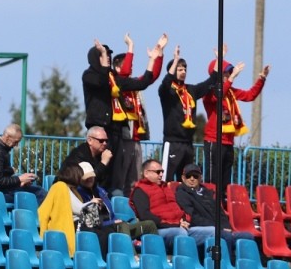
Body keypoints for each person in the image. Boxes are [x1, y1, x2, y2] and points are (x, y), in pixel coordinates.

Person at [81, 37, 163, 196]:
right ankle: (97, 198)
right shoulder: (89, 75)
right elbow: (101, 82)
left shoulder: (114, 79)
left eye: (109, 55)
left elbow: (142, 83)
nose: (108, 58)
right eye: (104, 55)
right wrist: (107, 65)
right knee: (100, 170)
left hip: (115, 131)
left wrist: (153, 60)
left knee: (115, 173)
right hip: (99, 129)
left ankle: (113, 201)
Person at [38, 162, 155, 256]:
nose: (86, 179)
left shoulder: (97, 191)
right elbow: (79, 209)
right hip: (78, 225)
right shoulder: (62, 187)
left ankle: (150, 257)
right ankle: (126, 258)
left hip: (91, 224)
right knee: (107, 233)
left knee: (142, 225)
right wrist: (91, 203)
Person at [108, 33, 166, 196]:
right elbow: (125, 71)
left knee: (134, 180)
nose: (131, 68)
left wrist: (158, 54)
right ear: (117, 68)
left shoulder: (133, 85)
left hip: (136, 138)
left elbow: (151, 77)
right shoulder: (117, 83)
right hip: (123, 137)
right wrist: (130, 47)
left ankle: (132, 204)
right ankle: (118, 204)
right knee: (120, 179)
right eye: (127, 64)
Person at [202, 56, 268, 190]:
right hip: (214, 141)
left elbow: (250, 95)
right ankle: (210, 203)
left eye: (229, 72)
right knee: (212, 181)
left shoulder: (231, 92)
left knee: (224, 182)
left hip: (228, 142)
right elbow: (218, 96)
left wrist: (261, 79)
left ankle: (222, 202)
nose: (228, 75)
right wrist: (231, 79)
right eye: (226, 72)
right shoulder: (209, 91)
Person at [158, 46, 216, 180]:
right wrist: (175, 59)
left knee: (186, 180)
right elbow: (165, 82)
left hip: (188, 143)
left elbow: (210, 82)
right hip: (172, 142)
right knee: (165, 179)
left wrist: (219, 59)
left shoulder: (191, 90)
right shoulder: (167, 92)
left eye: (185, 69)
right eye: (180, 69)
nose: (183, 72)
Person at [175, 163, 255, 251]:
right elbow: (193, 217)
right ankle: (225, 259)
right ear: (183, 178)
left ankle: (243, 260)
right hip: (202, 229)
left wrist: (226, 227)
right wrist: (220, 228)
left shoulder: (207, 193)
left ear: (200, 178)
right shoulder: (182, 194)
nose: (192, 179)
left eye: (195, 176)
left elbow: (220, 213)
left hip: (218, 229)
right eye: (188, 176)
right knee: (226, 236)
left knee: (247, 236)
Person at [0, 124, 47, 203]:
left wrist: (21, 181)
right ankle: (39, 211)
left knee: (38, 190)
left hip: (0, 192)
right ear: (7, 137)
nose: (16, 145)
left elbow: (0, 176)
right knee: (40, 193)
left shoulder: (0, 148)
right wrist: (19, 179)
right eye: (16, 142)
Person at [130, 159, 189, 249]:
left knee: (210, 232)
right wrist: (176, 225)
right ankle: (184, 258)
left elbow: (178, 209)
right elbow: (146, 217)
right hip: (158, 231)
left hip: (178, 226)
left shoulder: (166, 188)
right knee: (181, 233)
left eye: (162, 172)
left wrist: (184, 220)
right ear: (146, 173)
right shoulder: (139, 191)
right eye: (158, 172)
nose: (161, 175)